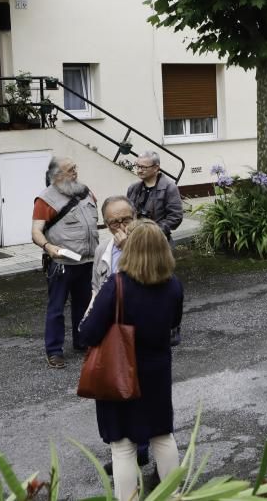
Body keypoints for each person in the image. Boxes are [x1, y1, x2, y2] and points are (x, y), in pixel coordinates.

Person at [79, 220, 183, 501]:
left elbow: (89, 333)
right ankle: (173, 495)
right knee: (162, 435)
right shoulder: (173, 285)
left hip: (120, 370)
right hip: (157, 370)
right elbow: (174, 323)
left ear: (130, 249)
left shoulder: (117, 285)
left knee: (123, 445)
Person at [86, 196, 151, 473]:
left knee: (143, 395)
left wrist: (129, 251)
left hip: (139, 334)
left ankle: (144, 449)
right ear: (106, 223)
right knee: (115, 391)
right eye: (114, 222)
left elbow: (151, 285)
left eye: (126, 219)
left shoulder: (147, 244)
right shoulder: (102, 248)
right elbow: (95, 288)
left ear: (134, 216)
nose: (121, 226)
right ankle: (123, 450)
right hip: (110, 334)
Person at [31, 157, 100, 368]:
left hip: (88, 260)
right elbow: (36, 232)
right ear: (57, 175)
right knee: (56, 308)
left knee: (85, 304)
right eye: (71, 170)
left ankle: (82, 341)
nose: (75, 172)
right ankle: (54, 351)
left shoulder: (85, 191)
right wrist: (48, 247)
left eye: (75, 167)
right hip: (62, 262)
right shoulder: (45, 200)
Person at [126, 151, 183, 240]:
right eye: (138, 166)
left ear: (156, 168)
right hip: (136, 240)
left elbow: (175, 217)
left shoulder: (169, 187)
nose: (139, 170)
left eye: (144, 167)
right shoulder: (133, 188)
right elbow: (127, 213)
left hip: (159, 241)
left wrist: (152, 231)